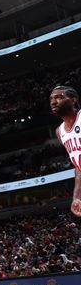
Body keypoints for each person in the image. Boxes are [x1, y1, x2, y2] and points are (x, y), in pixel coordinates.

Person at [51, 85, 81, 217]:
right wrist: (77, 196)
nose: (53, 101)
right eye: (51, 99)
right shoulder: (59, 131)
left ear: (73, 100)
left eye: (59, 97)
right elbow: (78, 167)